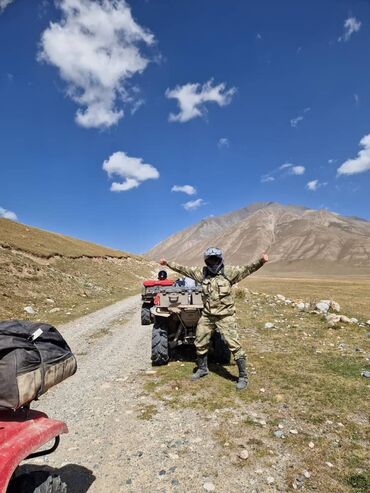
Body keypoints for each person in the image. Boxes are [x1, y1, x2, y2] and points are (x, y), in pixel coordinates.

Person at [159, 247, 268, 390]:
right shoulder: (203, 274)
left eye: (215, 259)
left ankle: (243, 377)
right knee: (199, 341)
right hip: (207, 315)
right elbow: (183, 269)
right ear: (206, 261)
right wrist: (167, 263)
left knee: (234, 345)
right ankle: (203, 369)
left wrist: (261, 261)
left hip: (225, 316)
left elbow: (248, 268)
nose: (213, 262)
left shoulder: (229, 273)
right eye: (210, 260)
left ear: (220, 259)